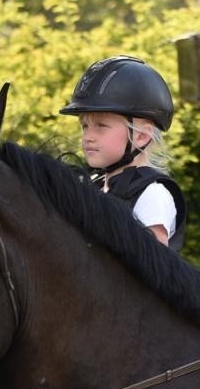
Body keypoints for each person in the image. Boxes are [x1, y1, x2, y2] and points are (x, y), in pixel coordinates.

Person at [60, 55, 187, 250]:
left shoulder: (152, 195)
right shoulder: (94, 187)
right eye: (85, 126)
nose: (88, 137)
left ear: (141, 136)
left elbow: (154, 265)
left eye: (101, 126)